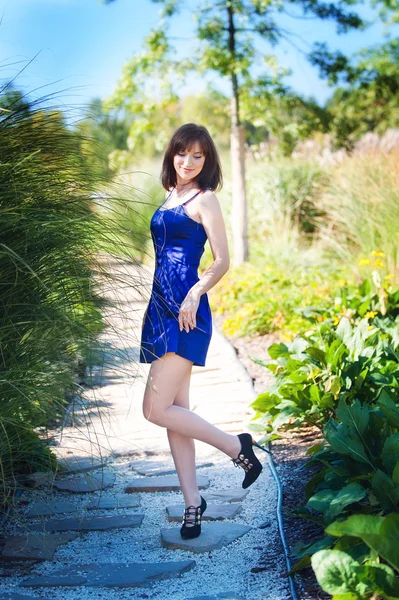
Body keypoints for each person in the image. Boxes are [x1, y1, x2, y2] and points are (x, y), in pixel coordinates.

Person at [140, 123, 268, 540]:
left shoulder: (205, 199)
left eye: (198, 155)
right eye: (182, 153)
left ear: (207, 160)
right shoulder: (170, 196)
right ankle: (193, 503)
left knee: (155, 410)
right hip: (161, 308)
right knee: (176, 413)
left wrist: (194, 293)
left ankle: (237, 448)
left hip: (186, 312)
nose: (188, 162)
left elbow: (222, 260)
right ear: (172, 155)